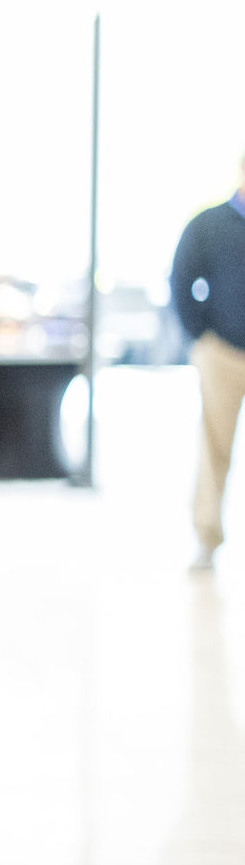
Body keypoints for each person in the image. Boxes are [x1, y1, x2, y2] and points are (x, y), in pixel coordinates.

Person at [169, 156, 245, 573]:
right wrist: (201, 337)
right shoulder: (209, 224)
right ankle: (206, 538)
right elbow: (181, 280)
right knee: (215, 448)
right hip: (223, 355)